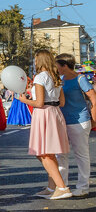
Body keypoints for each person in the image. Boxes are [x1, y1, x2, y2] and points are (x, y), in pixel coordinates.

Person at [22, 49, 71, 199]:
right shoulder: (55, 76)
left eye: (36, 59)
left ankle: (62, 188)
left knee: (43, 153)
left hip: (43, 114)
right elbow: (62, 102)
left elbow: (39, 102)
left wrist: (23, 100)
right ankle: (52, 187)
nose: (34, 62)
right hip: (55, 113)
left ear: (40, 60)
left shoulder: (40, 77)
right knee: (46, 152)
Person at [56, 54, 96, 198]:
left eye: (57, 66)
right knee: (61, 154)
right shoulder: (60, 80)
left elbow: (93, 98)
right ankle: (62, 185)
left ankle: (83, 187)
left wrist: (94, 119)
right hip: (62, 122)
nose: (57, 69)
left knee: (81, 155)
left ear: (64, 66)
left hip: (79, 121)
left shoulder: (81, 79)